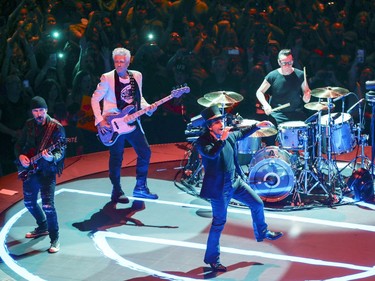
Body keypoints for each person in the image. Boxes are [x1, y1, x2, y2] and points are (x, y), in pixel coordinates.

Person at [195, 105, 283, 272]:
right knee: (219, 223)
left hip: (235, 182)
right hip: (219, 189)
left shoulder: (227, 137)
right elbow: (212, 154)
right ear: (209, 126)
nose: (221, 124)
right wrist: (222, 139)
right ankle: (212, 259)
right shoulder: (203, 142)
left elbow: (242, 133)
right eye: (216, 122)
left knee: (257, 203)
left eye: (221, 120)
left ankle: (262, 232)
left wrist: (257, 125)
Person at [91, 47, 158, 204]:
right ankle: (116, 190)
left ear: (128, 62)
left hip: (133, 122)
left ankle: (140, 187)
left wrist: (148, 108)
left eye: (122, 62)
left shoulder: (137, 76)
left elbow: (139, 99)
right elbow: (94, 99)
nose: (119, 64)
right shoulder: (107, 78)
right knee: (116, 157)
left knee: (145, 152)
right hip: (114, 124)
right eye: (116, 61)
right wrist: (100, 120)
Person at [14, 96, 66, 253]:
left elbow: (61, 150)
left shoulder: (56, 127)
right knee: (29, 203)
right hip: (30, 170)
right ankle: (42, 225)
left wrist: (51, 157)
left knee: (48, 205)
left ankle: (55, 239)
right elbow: (18, 144)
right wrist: (20, 156)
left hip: (47, 171)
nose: (39, 114)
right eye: (36, 111)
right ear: (32, 112)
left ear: (47, 110)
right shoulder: (29, 124)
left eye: (41, 110)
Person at [256, 49, 311, 128]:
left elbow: (306, 98)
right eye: (285, 63)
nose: (288, 65)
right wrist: (266, 105)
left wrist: (307, 96)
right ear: (279, 62)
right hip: (277, 115)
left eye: (290, 62)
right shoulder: (273, 75)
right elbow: (259, 92)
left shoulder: (300, 75)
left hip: (296, 114)